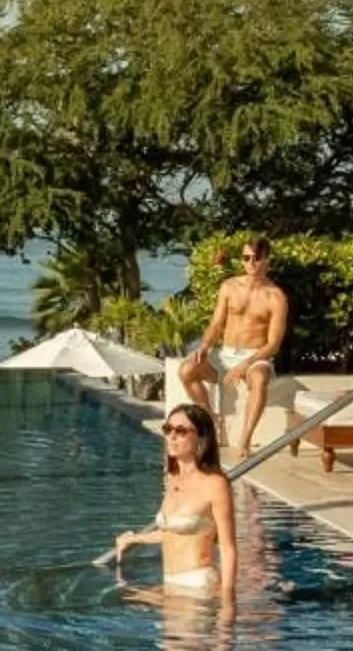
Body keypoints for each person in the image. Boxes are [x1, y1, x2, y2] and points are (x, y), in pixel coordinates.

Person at [107, 401, 239, 602]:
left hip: (198, 585)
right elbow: (171, 532)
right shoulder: (173, 478)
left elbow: (228, 548)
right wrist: (134, 539)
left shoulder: (215, 484)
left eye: (181, 431)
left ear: (201, 438)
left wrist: (228, 604)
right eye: (168, 429)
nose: (172, 436)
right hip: (171, 585)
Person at [177, 238, 289, 463]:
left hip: (255, 356)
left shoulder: (276, 297)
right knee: (186, 370)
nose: (251, 263)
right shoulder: (229, 287)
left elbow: (273, 345)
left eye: (256, 258)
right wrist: (205, 347)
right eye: (246, 258)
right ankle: (210, 420)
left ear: (267, 260)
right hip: (224, 354)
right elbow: (216, 324)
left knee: (259, 379)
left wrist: (245, 364)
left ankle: (245, 439)